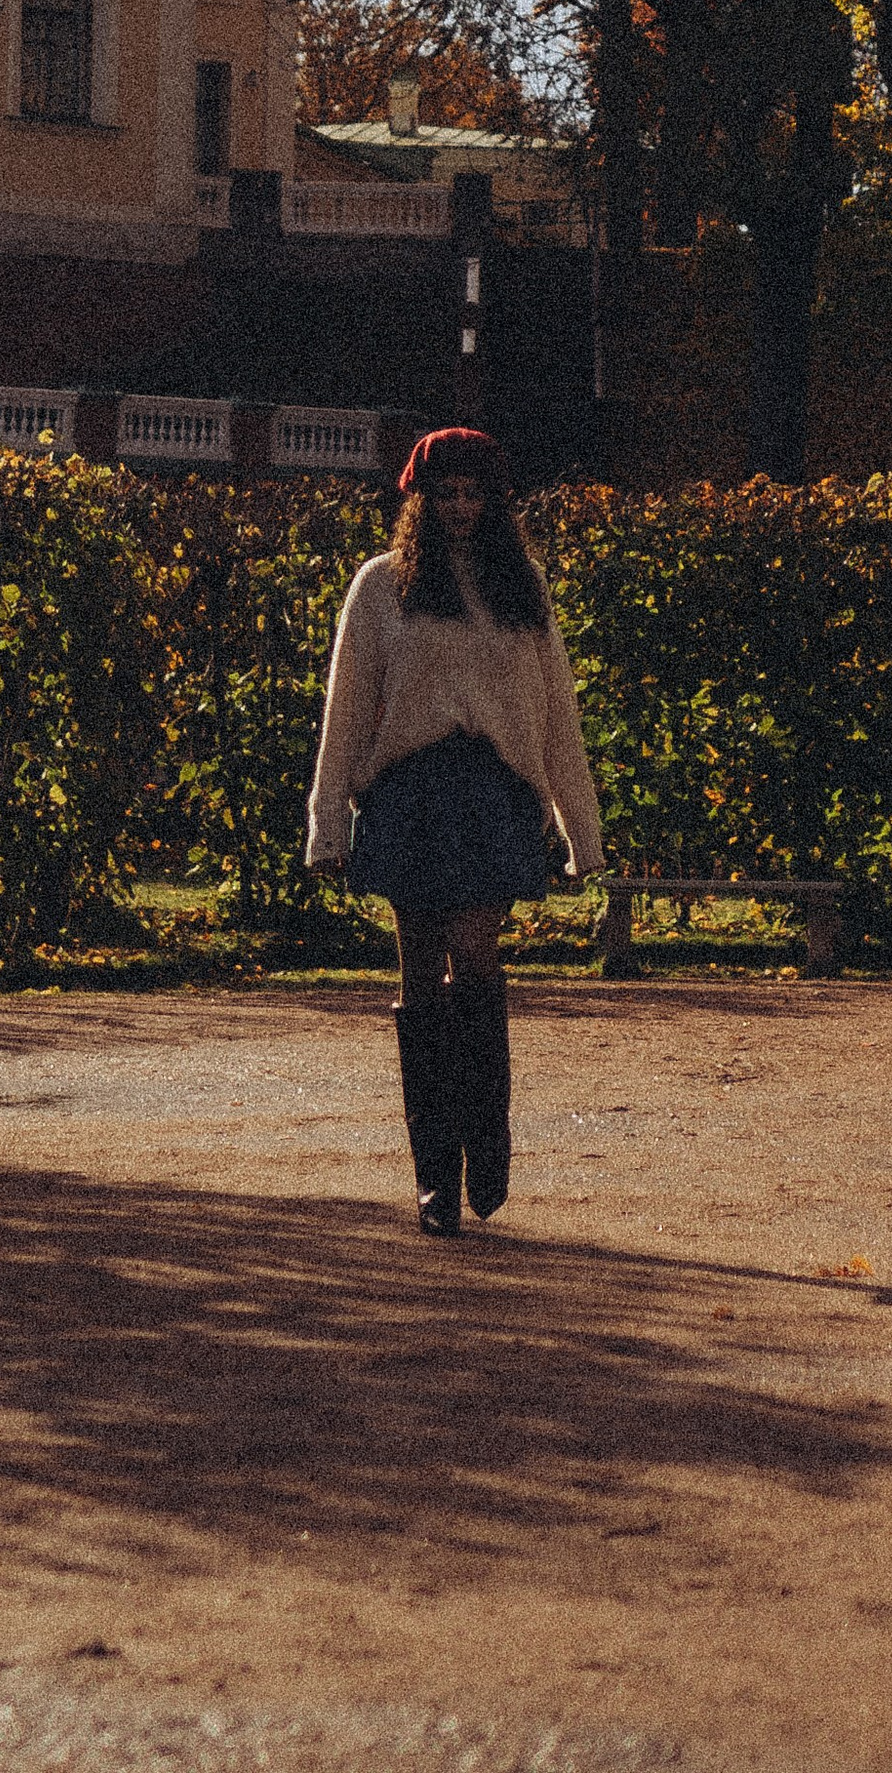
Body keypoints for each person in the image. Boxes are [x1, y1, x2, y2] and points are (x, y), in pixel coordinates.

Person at [306, 425, 604, 1234]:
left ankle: (488, 1136)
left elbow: (556, 715)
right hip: (409, 793)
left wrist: (585, 831)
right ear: (421, 500)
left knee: (475, 955)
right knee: (419, 975)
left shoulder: (523, 586)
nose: (463, 507)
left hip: (493, 793)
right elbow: (348, 710)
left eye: (476, 494)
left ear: (496, 502)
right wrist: (327, 823)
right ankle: (436, 1175)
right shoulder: (381, 586)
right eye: (448, 493)